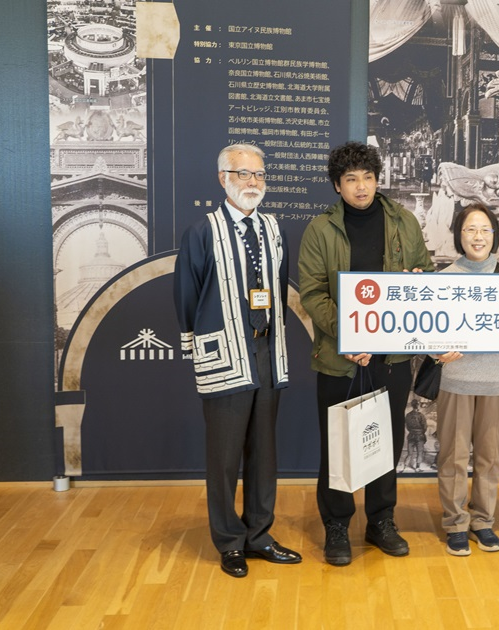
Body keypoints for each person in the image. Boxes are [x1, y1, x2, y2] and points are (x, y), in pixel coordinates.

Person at [298, 141, 434, 566]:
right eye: (351, 179)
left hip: (392, 359)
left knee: (386, 441)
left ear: (378, 179)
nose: (361, 187)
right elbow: (313, 293)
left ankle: (381, 521)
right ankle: (337, 524)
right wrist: (350, 337)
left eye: (368, 177)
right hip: (339, 359)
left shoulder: (404, 222)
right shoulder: (321, 230)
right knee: (339, 443)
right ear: (337, 186)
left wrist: (418, 280)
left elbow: (426, 276)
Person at [174, 143, 302, 578]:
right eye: (243, 173)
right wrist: (194, 343)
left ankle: (259, 534)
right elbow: (187, 294)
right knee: (225, 456)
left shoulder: (273, 228)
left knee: (264, 453)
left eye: (259, 174)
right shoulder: (202, 232)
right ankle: (229, 541)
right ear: (222, 178)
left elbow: (279, 286)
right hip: (225, 352)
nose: (253, 182)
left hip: (266, 350)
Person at [430, 203, 499, 556]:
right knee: (453, 457)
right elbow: (427, 331)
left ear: (494, 236)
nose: (478, 236)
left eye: (485, 229)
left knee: (490, 457)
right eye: (470, 229)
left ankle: (483, 521)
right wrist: (437, 353)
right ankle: (456, 523)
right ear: (459, 235)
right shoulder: (443, 279)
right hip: (456, 379)